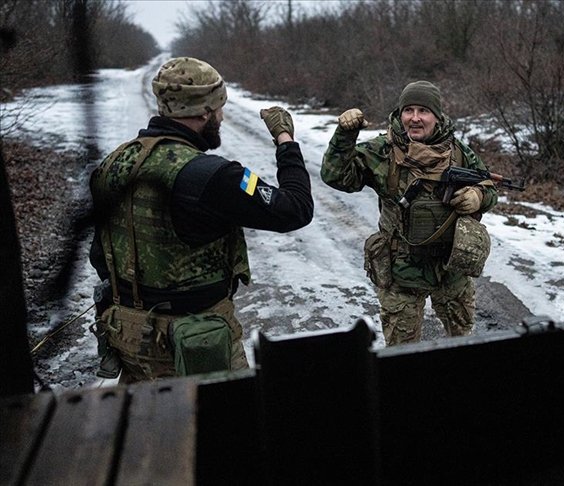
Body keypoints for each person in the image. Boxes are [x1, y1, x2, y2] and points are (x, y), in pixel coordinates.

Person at [88, 57, 313, 382]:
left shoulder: (113, 163)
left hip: (131, 341)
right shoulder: (214, 175)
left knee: (149, 415)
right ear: (205, 111)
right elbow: (295, 209)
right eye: (220, 107)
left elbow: (101, 255)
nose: (222, 116)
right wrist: (285, 140)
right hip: (197, 344)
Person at [321, 81, 498, 345]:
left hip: (450, 270)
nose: (415, 118)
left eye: (423, 111)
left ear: (437, 116)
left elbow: (488, 187)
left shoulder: (457, 151)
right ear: (400, 114)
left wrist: (478, 197)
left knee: (463, 344)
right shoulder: (383, 151)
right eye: (408, 110)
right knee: (401, 354)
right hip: (401, 273)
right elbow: (335, 176)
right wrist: (344, 136)